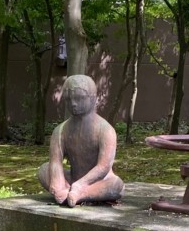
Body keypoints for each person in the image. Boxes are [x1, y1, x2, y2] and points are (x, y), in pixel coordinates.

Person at [38, 74, 124, 207]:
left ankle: (81, 194)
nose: (73, 103)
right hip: (72, 178)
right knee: (44, 170)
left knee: (116, 185)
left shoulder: (105, 130)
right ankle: (68, 193)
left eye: (79, 98)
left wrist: (80, 185)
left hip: (99, 181)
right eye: (68, 99)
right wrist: (57, 183)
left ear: (93, 98)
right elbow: (55, 163)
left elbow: (103, 167)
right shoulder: (60, 131)